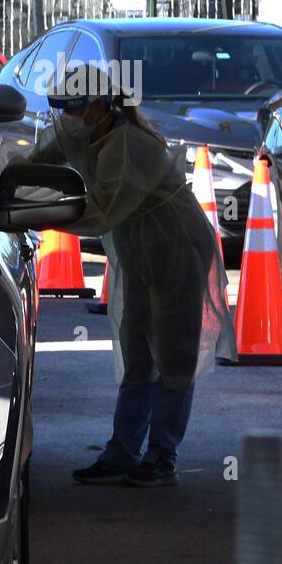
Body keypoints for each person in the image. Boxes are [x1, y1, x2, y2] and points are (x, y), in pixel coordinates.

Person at [30, 65, 231, 488]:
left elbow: (98, 211)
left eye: (75, 110)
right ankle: (122, 451)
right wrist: (9, 180)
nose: (68, 119)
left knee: (173, 353)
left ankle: (161, 455)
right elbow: (41, 158)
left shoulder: (130, 145)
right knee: (136, 347)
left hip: (175, 247)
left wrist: (34, 214)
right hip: (139, 247)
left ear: (100, 107)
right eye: (63, 111)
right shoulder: (85, 133)